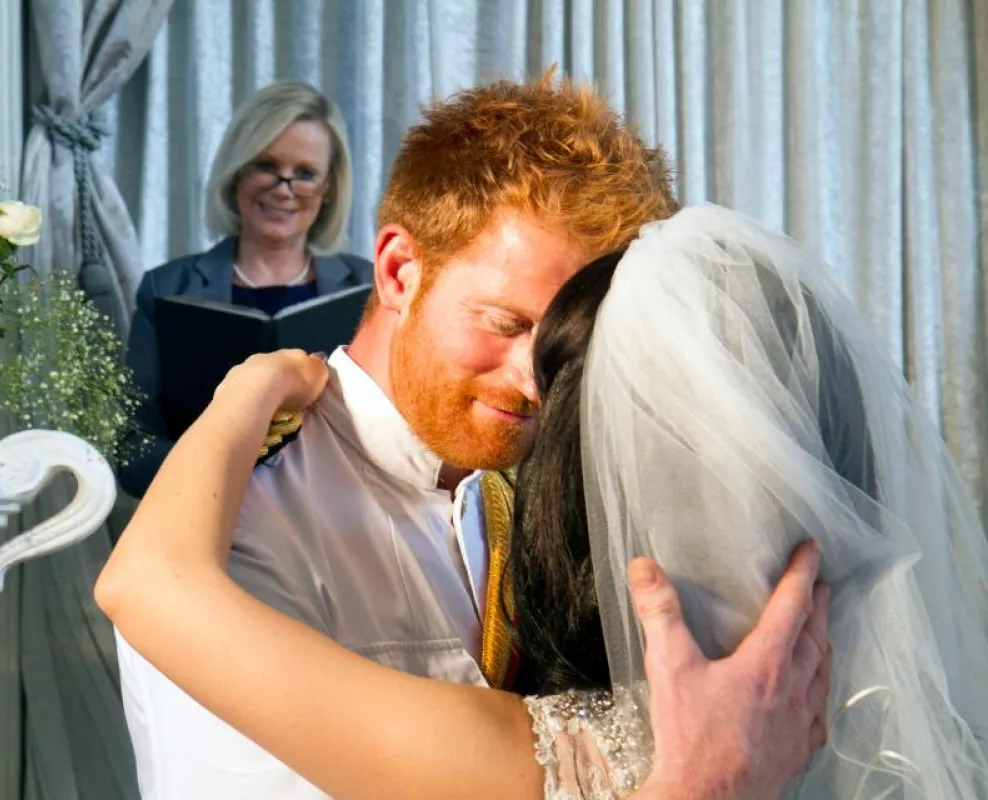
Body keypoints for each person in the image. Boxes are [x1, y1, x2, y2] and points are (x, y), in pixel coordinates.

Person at [99, 204, 988, 798]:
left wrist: (247, 389)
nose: (530, 386)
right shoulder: (847, 676)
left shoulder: (556, 748)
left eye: (559, 370)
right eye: (504, 322)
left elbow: (146, 585)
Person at [106, 73, 833, 798]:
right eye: (505, 323)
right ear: (398, 271)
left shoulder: (556, 496)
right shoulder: (243, 521)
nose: (534, 383)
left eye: (570, 351)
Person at [119, 80, 372, 498]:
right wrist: (210, 469)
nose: (283, 189)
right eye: (267, 166)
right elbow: (132, 449)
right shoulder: (165, 289)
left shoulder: (369, 288)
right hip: (209, 511)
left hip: (336, 515)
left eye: (305, 174)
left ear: (328, 188)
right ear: (237, 171)